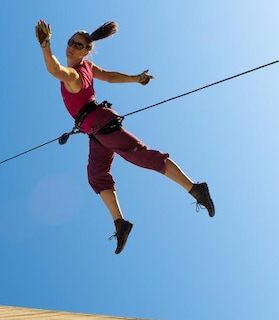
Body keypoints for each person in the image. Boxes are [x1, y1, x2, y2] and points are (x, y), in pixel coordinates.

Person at [35, 19, 214, 254]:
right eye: (70, 42)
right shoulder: (87, 68)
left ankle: (196, 189)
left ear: (86, 51)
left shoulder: (74, 75)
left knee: (143, 157)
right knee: (97, 176)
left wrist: (45, 45)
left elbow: (55, 70)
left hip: (102, 124)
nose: (71, 47)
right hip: (95, 132)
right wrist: (136, 78)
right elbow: (109, 76)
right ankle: (121, 224)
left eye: (78, 45)